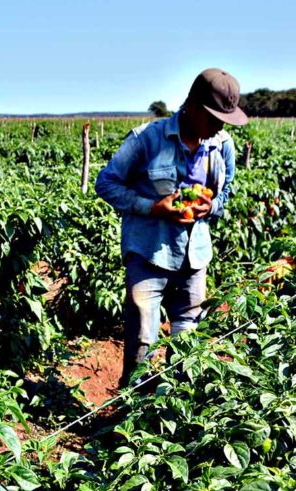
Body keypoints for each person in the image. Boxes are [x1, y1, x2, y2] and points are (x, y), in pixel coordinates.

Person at [95, 68, 247, 387]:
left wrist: (212, 205)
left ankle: (172, 411)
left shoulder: (222, 144)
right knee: (143, 340)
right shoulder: (146, 139)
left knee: (186, 339)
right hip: (149, 252)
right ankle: (132, 410)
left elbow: (227, 188)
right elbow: (106, 183)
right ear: (192, 106)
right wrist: (152, 207)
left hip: (195, 258)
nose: (219, 126)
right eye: (214, 117)